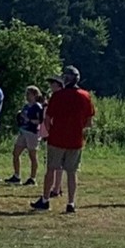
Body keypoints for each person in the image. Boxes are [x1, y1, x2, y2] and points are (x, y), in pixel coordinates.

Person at [33, 66, 95, 214]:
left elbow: (47, 118)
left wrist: (49, 132)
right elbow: (89, 122)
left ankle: (45, 200)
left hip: (57, 139)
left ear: (66, 79)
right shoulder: (85, 96)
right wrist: (78, 130)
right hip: (75, 140)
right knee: (72, 173)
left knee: (51, 169)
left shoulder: (58, 96)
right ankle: (71, 203)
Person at [8, 86, 45, 186]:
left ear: (34, 95)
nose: (27, 96)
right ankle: (16, 176)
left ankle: (32, 178)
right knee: (15, 153)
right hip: (23, 131)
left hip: (32, 133)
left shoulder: (37, 107)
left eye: (29, 94)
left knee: (32, 156)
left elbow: (40, 121)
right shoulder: (26, 106)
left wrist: (29, 120)